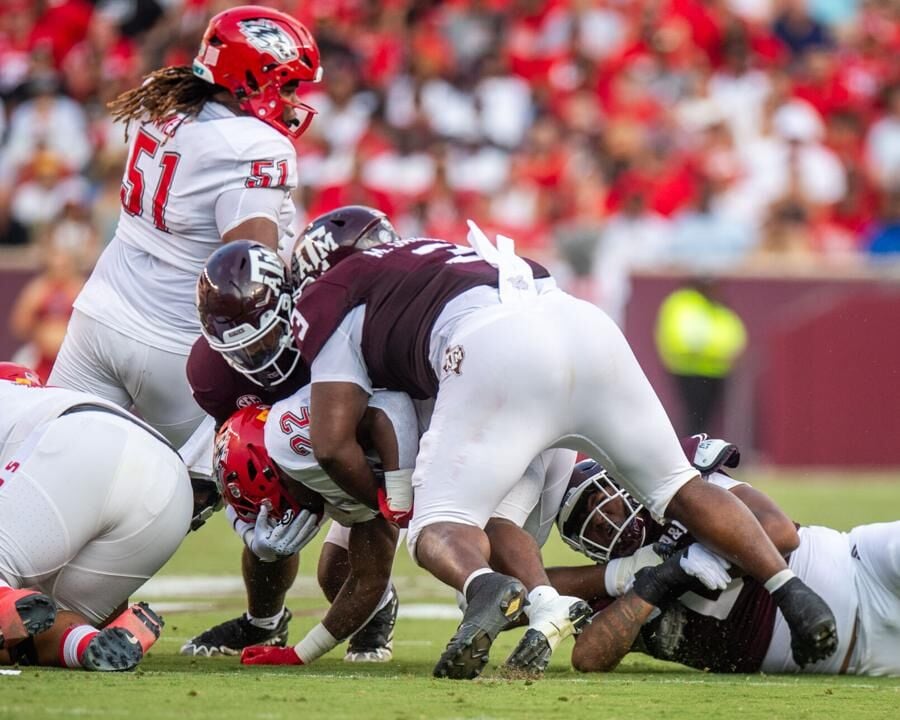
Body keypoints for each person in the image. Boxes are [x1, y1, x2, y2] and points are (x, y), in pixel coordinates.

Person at [218, 206, 838, 679]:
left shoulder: (339, 289)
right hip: (577, 319)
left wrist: (384, 502)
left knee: (440, 529)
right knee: (674, 485)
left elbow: (331, 441)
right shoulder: (428, 256)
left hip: (495, 350)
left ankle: (484, 588)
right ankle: (792, 591)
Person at [47, 5, 322, 448]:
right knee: (231, 486)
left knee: (50, 459)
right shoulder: (255, 144)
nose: (293, 97)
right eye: (287, 84)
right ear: (251, 77)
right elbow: (251, 272)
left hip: (97, 315)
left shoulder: (164, 96)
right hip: (174, 346)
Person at [183, 239, 395, 661]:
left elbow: (389, 421)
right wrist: (249, 530)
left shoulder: (331, 323)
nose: (259, 356)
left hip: (359, 439)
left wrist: (384, 495)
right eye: (242, 349)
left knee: (336, 573)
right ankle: (263, 621)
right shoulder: (211, 372)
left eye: (265, 338)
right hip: (294, 448)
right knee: (259, 482)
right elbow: (232, 454)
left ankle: (378, 605)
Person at [550, 440, 900, 677]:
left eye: (599, 498)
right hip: (852, 661)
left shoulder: (680, 493)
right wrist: (659, 582)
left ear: (621, 485)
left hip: (861, 567)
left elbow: (780, 531)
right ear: (580, 544)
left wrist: (696, 559)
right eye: (584, 519)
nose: (599, 517)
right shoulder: (611, 585)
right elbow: (588, 658)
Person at [0, 362, 219, 671]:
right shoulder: (31, 401)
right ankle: (86, 643)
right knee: (28, 629)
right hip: (171, 487)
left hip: (81, 444)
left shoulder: (16, 410)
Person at [208, 380, 414, 667]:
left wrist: (398, 491)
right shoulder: (279, 444)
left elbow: (392, 408)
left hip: (451, 429)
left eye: (268, 500)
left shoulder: (305, 447)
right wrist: (249, 535)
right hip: (385, 432)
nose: (274, 512)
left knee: (444, 542)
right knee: (336, 573)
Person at [654, 278, 747, 434]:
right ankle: (689, 450)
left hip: (716, 370)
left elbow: (733, 332)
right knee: (693, 417)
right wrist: (718, 353)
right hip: (688, 369)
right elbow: (686, 339)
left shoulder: (714, 304)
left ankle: (699, 450)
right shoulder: (684, 303)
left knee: (704, 419)